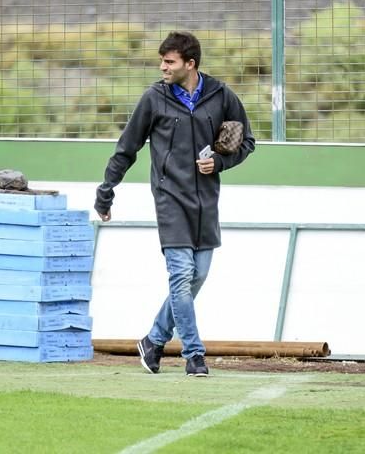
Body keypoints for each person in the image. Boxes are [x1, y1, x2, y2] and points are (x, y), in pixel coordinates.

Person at [94, 31, 255, 377]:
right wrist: (106, 191)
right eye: (162, 61)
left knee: (198, 276)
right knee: (181, 277)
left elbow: (246, 142)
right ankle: (194, 354)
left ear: (190, 64)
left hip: (207, 201)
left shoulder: (221, 95)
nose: (162, 67)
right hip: (169, 199)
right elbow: (127, 148)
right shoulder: (154, 98)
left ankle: (153, 340)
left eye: (169, 62)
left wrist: (221, 163)